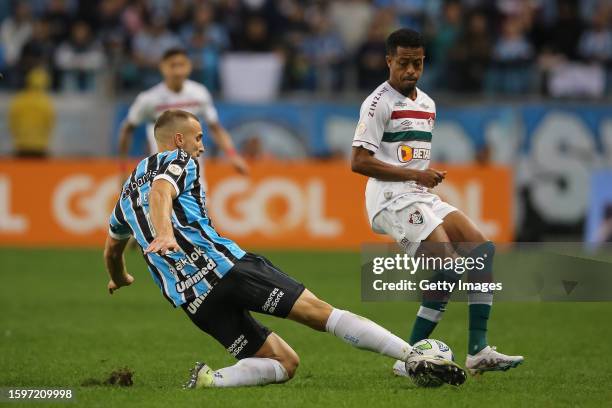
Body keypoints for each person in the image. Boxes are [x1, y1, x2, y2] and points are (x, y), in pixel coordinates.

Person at [103, 109, 466, 389]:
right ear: (178, 139)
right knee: (322, 314)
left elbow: (112, 252)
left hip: (194, 302)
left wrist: (120, 278)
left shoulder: (122, 199)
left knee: (284, 363)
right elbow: (161, 191)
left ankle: (212, 381)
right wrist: (165, 232)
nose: (202, 145)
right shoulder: (177, 160)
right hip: (228, 269)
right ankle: (413, 357)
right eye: (198, 138)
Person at [350, 28, 523, 376]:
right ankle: (407, 360)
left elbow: (409, 159)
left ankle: (478, 350)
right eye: (403, 63)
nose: (410, 70)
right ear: (388, 61)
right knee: (447, 268)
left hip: (417, 194)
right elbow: (359, 162)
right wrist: (416, 175)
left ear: (424, 62)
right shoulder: (377, 103)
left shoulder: (427, 103)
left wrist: (421, 180)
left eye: (417, 63)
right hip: (388, 199)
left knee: (481, 250)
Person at [118, 47, 248, 184]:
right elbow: (127, 130)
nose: (178, 71)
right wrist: (122, 169)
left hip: (194, 173)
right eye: (173, 65)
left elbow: (215, 128)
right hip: (162, 173)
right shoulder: (149, 99)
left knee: (200, 205)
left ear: (189, 66)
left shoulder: (199, 94)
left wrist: (233, 156)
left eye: (182, 65)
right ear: (163, 67)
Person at [9, 68, 55, 158]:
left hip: (21, 146)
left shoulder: (19, 100)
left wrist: (18, 136)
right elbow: (50, 123)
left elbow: (12, 122)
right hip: (40, 146)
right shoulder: (46, 103)